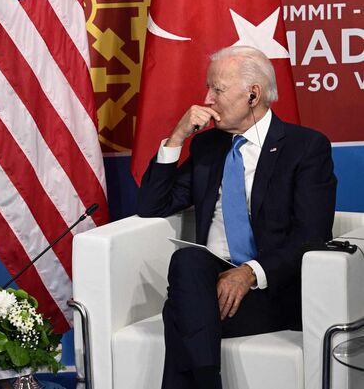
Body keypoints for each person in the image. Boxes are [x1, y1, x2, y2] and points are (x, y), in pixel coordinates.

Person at [137, 46, 337, 389]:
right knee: (186, 261)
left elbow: (312, 234)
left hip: (270, 288)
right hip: (207, 280)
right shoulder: (207, 147)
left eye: (217, 89)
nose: (207, 98)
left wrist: (248, 273)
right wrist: (178, 136)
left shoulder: (305, 148)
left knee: (179, 312)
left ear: (253, 94)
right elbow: (153, 205)